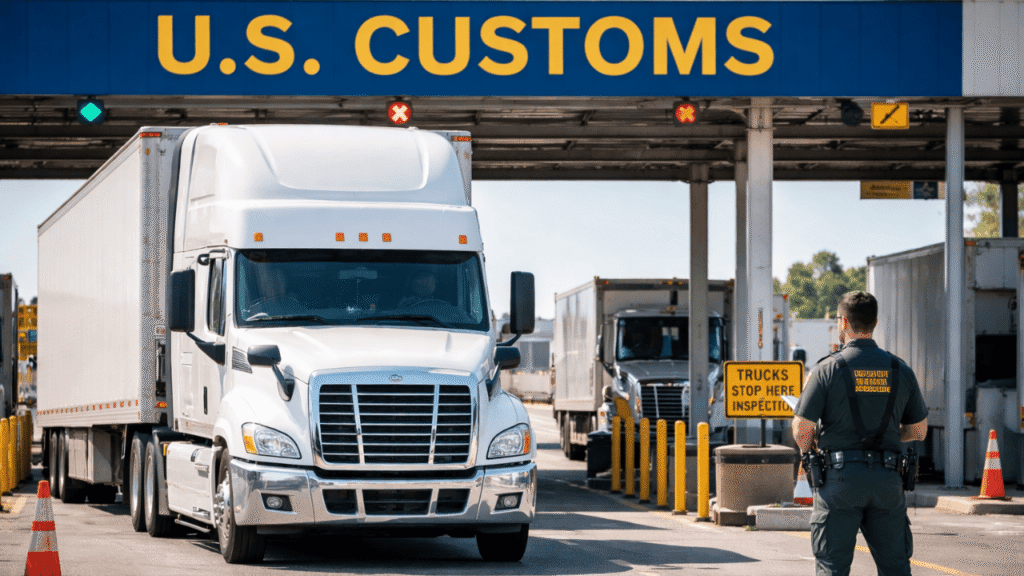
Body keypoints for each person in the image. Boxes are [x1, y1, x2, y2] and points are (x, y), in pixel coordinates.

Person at [792, 291, 929, 576]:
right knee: (896, 569)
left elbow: (802, 430)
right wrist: (893, 433)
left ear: (843, 322)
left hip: (838, 482)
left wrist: (812, 449)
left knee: (832, 567)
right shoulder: (900, 369)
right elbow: (919, 430)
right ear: (875, 322)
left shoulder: (826, 369)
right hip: (887, 482)